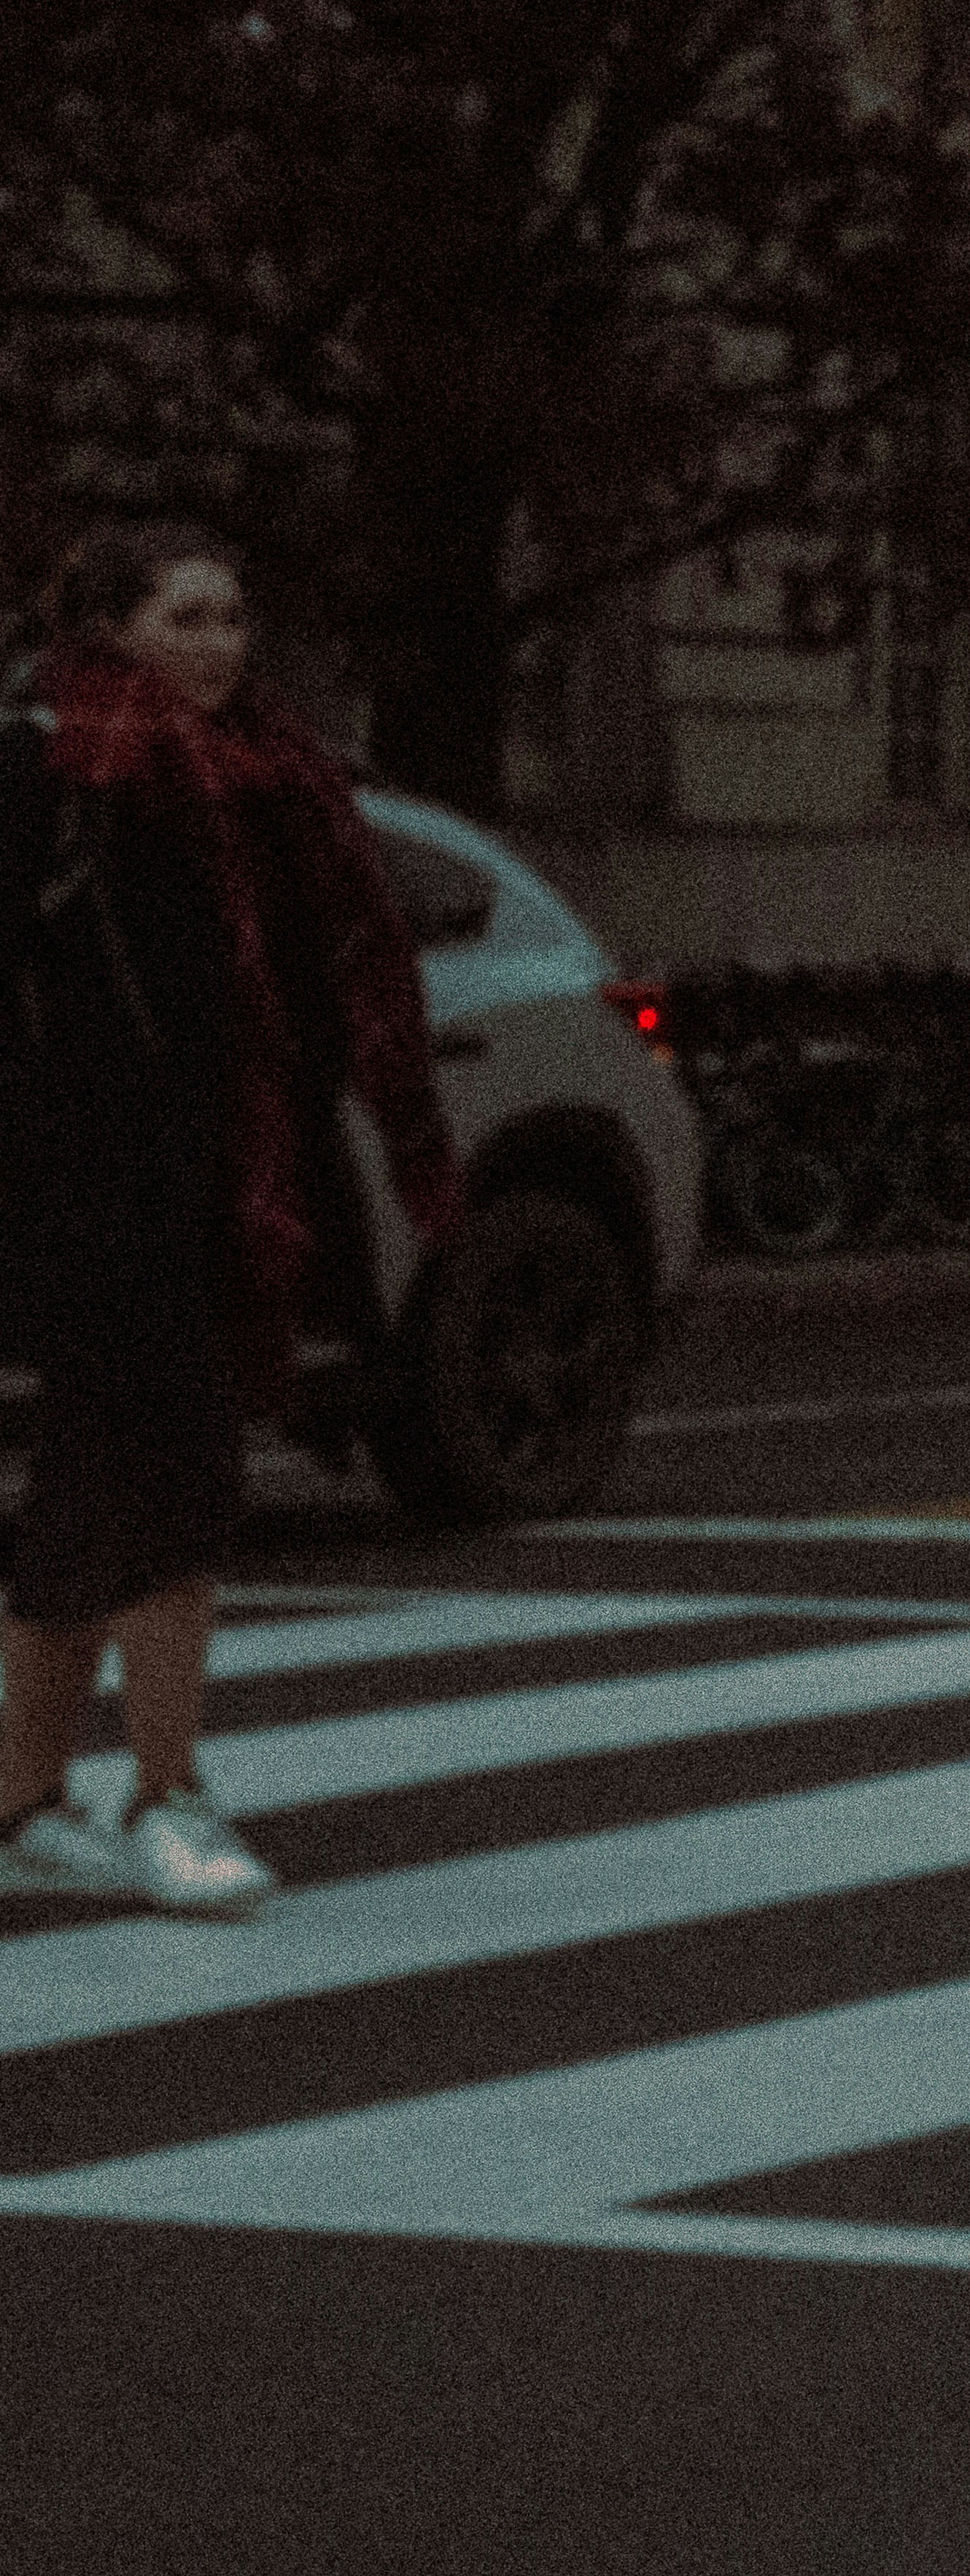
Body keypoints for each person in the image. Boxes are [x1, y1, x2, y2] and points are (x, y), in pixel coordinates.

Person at [4, 524, 457, 1915]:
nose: (219, 646)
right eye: (188, 619)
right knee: (185, 1475)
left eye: (233, 620)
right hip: (84, 1188)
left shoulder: (280, 787)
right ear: (114, 628)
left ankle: (22, 1807)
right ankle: (169, 1794)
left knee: (89, 1490)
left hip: (230, 1186)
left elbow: (324, 992)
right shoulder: (48, 773)